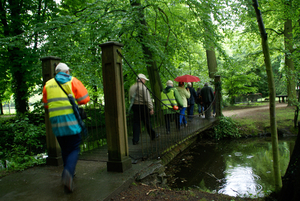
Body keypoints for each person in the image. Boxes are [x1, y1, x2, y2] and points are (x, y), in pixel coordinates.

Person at [42, 63, 90, 192]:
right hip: (71, 120)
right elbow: (85, 99)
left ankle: (69, 173)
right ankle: (68, 172)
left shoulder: (48, 84)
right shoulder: (72, 81)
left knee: (64, 148)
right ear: (67, 71)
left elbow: (46, 105)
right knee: (74, 147)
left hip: (56, 122)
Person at [129, 73, 159, 145]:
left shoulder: (132, 87)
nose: (145, 81)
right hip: (143, 106)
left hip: (135, 106)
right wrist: (151, 108)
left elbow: (130, 98)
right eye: (144, 80)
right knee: (147, 121)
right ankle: (153, 135)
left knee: (136, 123)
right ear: (142, 80)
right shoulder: (144, 87)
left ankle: (135, 140)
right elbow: (147, 99)